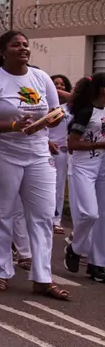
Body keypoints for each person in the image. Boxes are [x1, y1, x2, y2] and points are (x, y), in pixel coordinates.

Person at [0, 30, 70, 300]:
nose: (23, 48)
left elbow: (56, 113)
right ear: (3, 51)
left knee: (42, 216)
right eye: (16, 45)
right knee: (1, 214)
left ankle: (42, 278)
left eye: (26, 45)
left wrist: (52, 120)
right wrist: (13, 126)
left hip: (37, 154)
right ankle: (1, 271)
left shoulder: (41, 79)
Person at [62, 72, 105, 281]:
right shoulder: (86, 112)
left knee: (103, 218)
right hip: (83, 166)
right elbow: (72, 145)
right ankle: (75, 248)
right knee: (90, 214)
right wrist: (99, 145)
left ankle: (98, 264)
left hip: (102, 166)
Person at [50, 74, 72, 234]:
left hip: (62, 152)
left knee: (58, 187)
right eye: (55, 84)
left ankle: (55, 220)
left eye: (62, 85)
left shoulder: (71, 108)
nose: (59, 87)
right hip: (43, 149)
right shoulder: (44, 104)